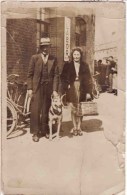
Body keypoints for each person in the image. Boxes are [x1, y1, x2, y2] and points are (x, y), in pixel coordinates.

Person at [27, 37, 59, 142]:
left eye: (47, 47)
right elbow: (30, 75)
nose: (45, 49)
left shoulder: (53, 59)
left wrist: (54, 90)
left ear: (49, 47)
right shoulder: (34, 58)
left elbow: (56, 75)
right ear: (41, 47)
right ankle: (35, 133)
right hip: (37, 88)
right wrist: (30, 88)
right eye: (43, 47)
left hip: (49, 88)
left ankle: (45, 130)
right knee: (35, 110)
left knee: (46, 109)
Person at [61, 48, 93, 136]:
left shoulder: (85, 65)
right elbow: (62, 77)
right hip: (71, 88)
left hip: (82, 88)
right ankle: (74, 127)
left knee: (81, 108)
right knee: (73, 108)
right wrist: (66, 85)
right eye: (74, 55)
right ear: (72, 55)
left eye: (78, 55)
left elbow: (88, 79)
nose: (76, 57)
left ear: (80, 55)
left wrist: (88, 92)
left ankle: (79, 127)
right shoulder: (67, 65)